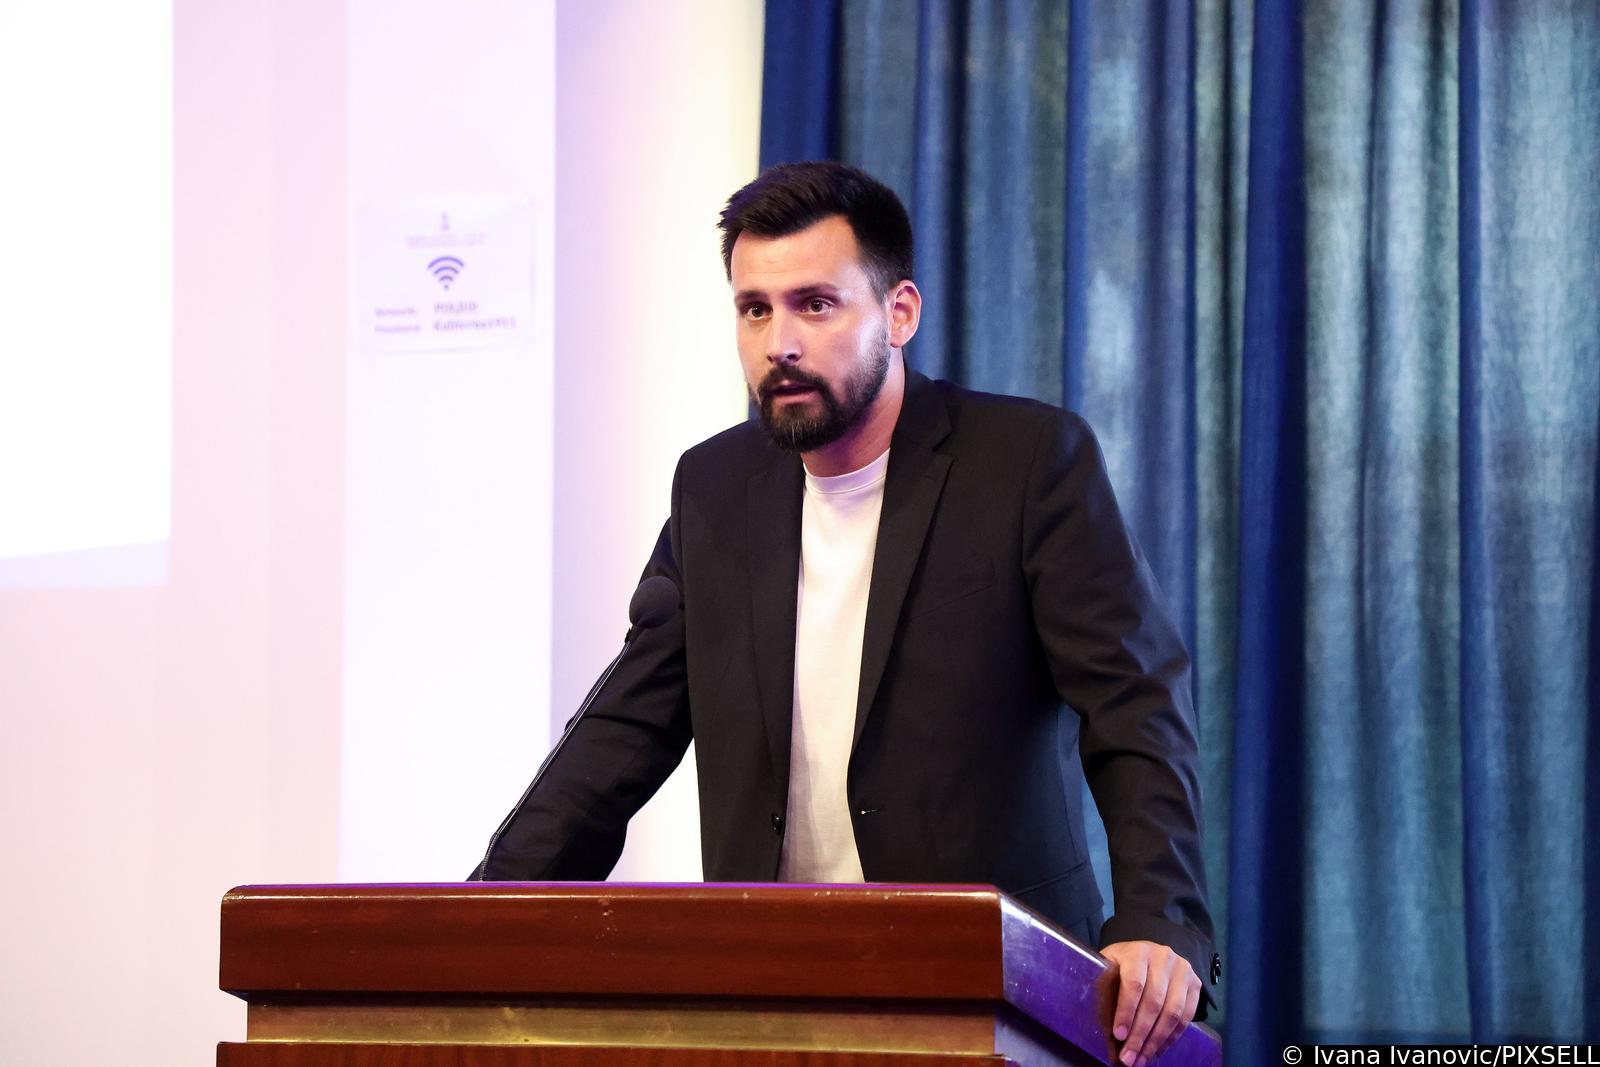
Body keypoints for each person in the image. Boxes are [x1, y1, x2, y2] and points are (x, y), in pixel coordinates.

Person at [475, 161, 1218, 1066]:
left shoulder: (1027, 463)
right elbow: (623, 727)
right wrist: (482, 912)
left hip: (997, 994)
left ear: (899, 313)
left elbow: (1135, 701)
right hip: (774, 994)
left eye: (816, 305)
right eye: (755, 310)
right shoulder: (714, 488)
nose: (779, 342)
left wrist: (1160, 920)